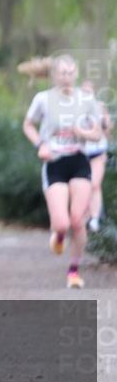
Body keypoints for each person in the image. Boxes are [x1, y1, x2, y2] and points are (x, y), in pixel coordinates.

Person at [22, 54, 103, 289]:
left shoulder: (86, 99)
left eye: (70, 73)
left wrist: (83, 133)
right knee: (61, 224)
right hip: (55, 162)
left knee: (78, 220)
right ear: (54, 76)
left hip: (79, 161)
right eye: (62, 73)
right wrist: (41, 145)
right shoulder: (43, 99)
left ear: (76, 73)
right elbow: (28, 125)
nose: (66, 77)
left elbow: (98, 134)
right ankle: (58, 235)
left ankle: (73, 272)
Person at [80, 79, 112, 232]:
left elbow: (107, 130)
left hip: (98, 151)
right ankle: (85, 215)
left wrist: (104, 120)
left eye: (89, 91)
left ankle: (95, 218)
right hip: (81, 153)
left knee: (95, 184)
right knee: (84, 186)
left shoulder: (100, 107)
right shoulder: (75, 109)